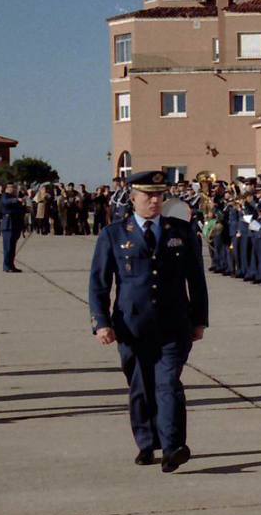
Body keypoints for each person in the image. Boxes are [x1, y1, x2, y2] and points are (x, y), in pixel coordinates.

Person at [88, 170, 208, 472]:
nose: (155, 200)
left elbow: (196, 279)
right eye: (148, 195)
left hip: (174, 324)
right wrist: (101, 322)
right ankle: (146, 442)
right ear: (133, 198)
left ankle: (173, 447)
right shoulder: (114, 234)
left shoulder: (180, 231)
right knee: (140, 387)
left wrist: (199, 319)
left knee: (168, 384)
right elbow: (99, 283)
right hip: (132, 326)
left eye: (159, 195)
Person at [0, 182, 27, 273]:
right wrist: (17, 200)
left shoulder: (15, 198)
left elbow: (20, 210)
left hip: (16, 225)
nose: (15, 189)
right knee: (7, 248)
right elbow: (5, 202)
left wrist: (24, 206)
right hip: (8, 225)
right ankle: (6, 266)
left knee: (12, 248)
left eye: (15, 188)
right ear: (8, 188)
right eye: (13, 188)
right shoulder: (5, 196)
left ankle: (11, 265)